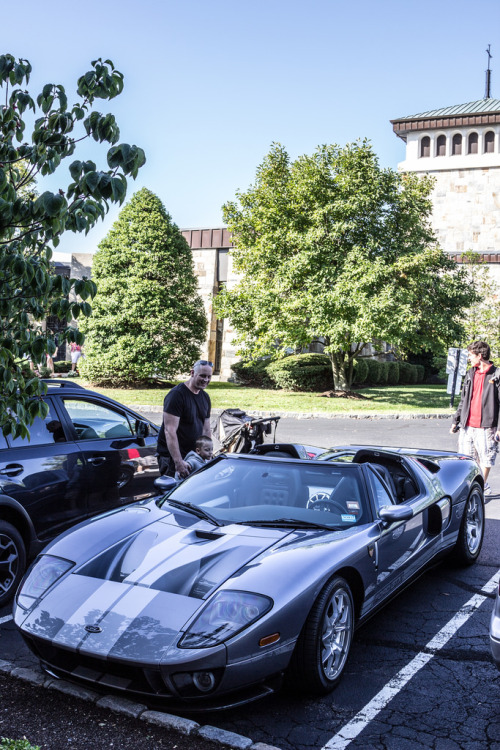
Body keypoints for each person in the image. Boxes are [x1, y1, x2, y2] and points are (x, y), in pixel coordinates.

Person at [450, 340, 500, 495]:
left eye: (471, 355)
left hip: (486, 426)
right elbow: (464, 399)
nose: (469, 358)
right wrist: (456, 420)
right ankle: (475, 487)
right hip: (467, 426)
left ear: (480, 356)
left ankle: (480, 487)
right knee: (466, 460)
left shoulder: (496, 375)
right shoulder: (471, 373)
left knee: (486, 459)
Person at [157, 360, 213, 477]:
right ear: (192, 373)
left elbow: (206, 429)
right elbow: (169, 431)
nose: (206, 380)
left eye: (209, 377)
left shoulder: (205, 397)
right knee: (172, 492)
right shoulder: (176, 395)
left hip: (193, 457)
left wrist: (207, 455)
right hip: (173, 458)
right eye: (202, 376)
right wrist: (178, 462)